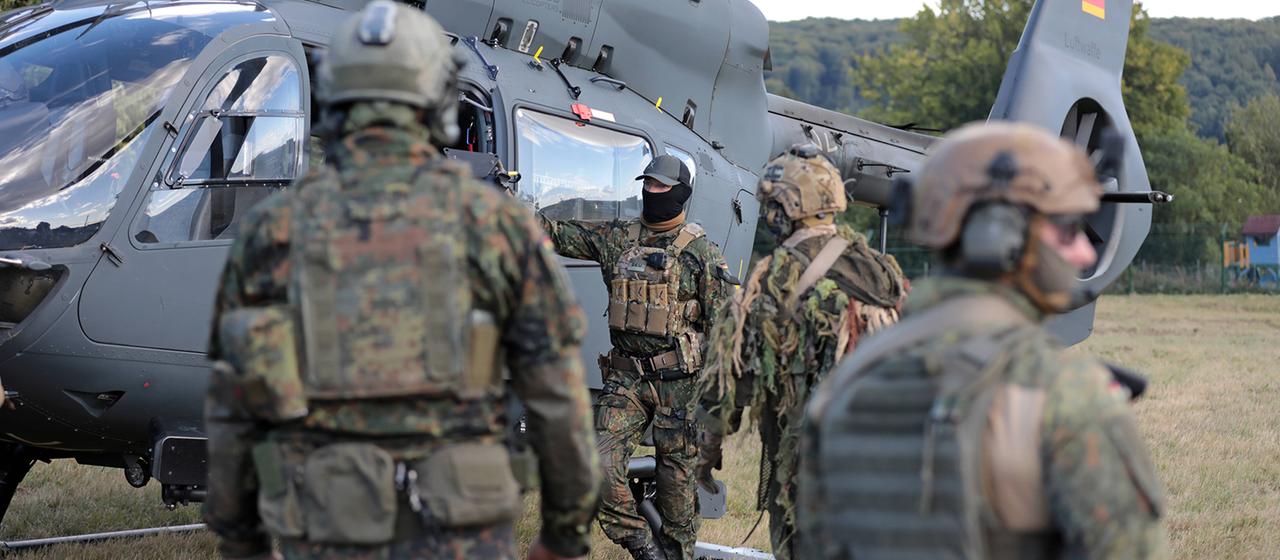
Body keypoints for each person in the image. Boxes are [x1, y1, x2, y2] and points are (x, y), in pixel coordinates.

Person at [202, 3, 599, 559]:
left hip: (324, 527)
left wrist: (242, 540)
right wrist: (565, 535)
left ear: (334, 98)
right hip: (462, 531)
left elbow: (233, 405)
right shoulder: (495, 226)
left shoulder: (274, 230)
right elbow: (558, 397)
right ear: (438, 98)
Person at [798, 122, 1168, 559]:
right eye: (1068, 230)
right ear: (1001, 235)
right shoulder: (1062, 394)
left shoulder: (846, 385)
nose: (1085, 253)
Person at [694, 144, 907, 560]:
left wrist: (709, 445)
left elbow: (734, 371)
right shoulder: (877, 268)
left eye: (772, 204)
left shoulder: (776, 275)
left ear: (787, 207)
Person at [539, 155, 732, 560]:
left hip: (681, 387)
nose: (653, 192)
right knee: (597, 467)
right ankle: (643, 546)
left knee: (678, 503)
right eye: (649, 184)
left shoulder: (702, 254)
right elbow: (551, 233)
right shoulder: (618, 238)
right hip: (626, 380)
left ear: (681, 194)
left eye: (663, 187)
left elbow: (725, 331)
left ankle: (674, 554)